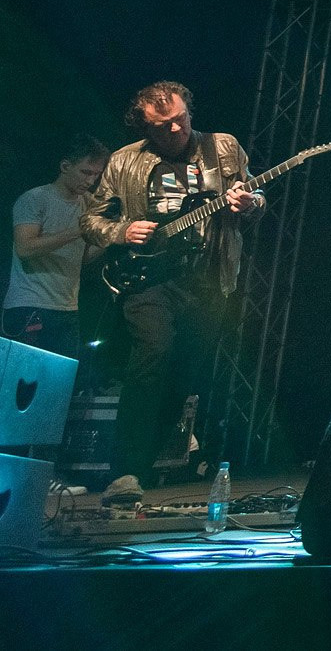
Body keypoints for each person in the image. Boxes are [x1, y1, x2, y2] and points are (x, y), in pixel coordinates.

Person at [81, 83, 263, 505]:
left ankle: (149, 460)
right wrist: (121, 231)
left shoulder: (223, 147)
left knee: (186, 375)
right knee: (152, 354)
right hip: (148, 278)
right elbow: (91, 219)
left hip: (208, 277)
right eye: (164, 125)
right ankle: (126, 471)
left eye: (182, 117)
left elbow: (255, 195)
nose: (177, 127)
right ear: (146, 127)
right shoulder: (125, 160)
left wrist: (250, 204)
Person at [5, 134, 110, 362]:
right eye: (85, 172)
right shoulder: (35, 199)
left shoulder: (89, 205)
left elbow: (84, 258)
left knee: (60, 382)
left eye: (96, 174)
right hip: (29, 305)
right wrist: (78, 231)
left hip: (68, 309)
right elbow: (25, 247)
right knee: (23, 383)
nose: (91, 180)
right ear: (65, 166)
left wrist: (109, 236)